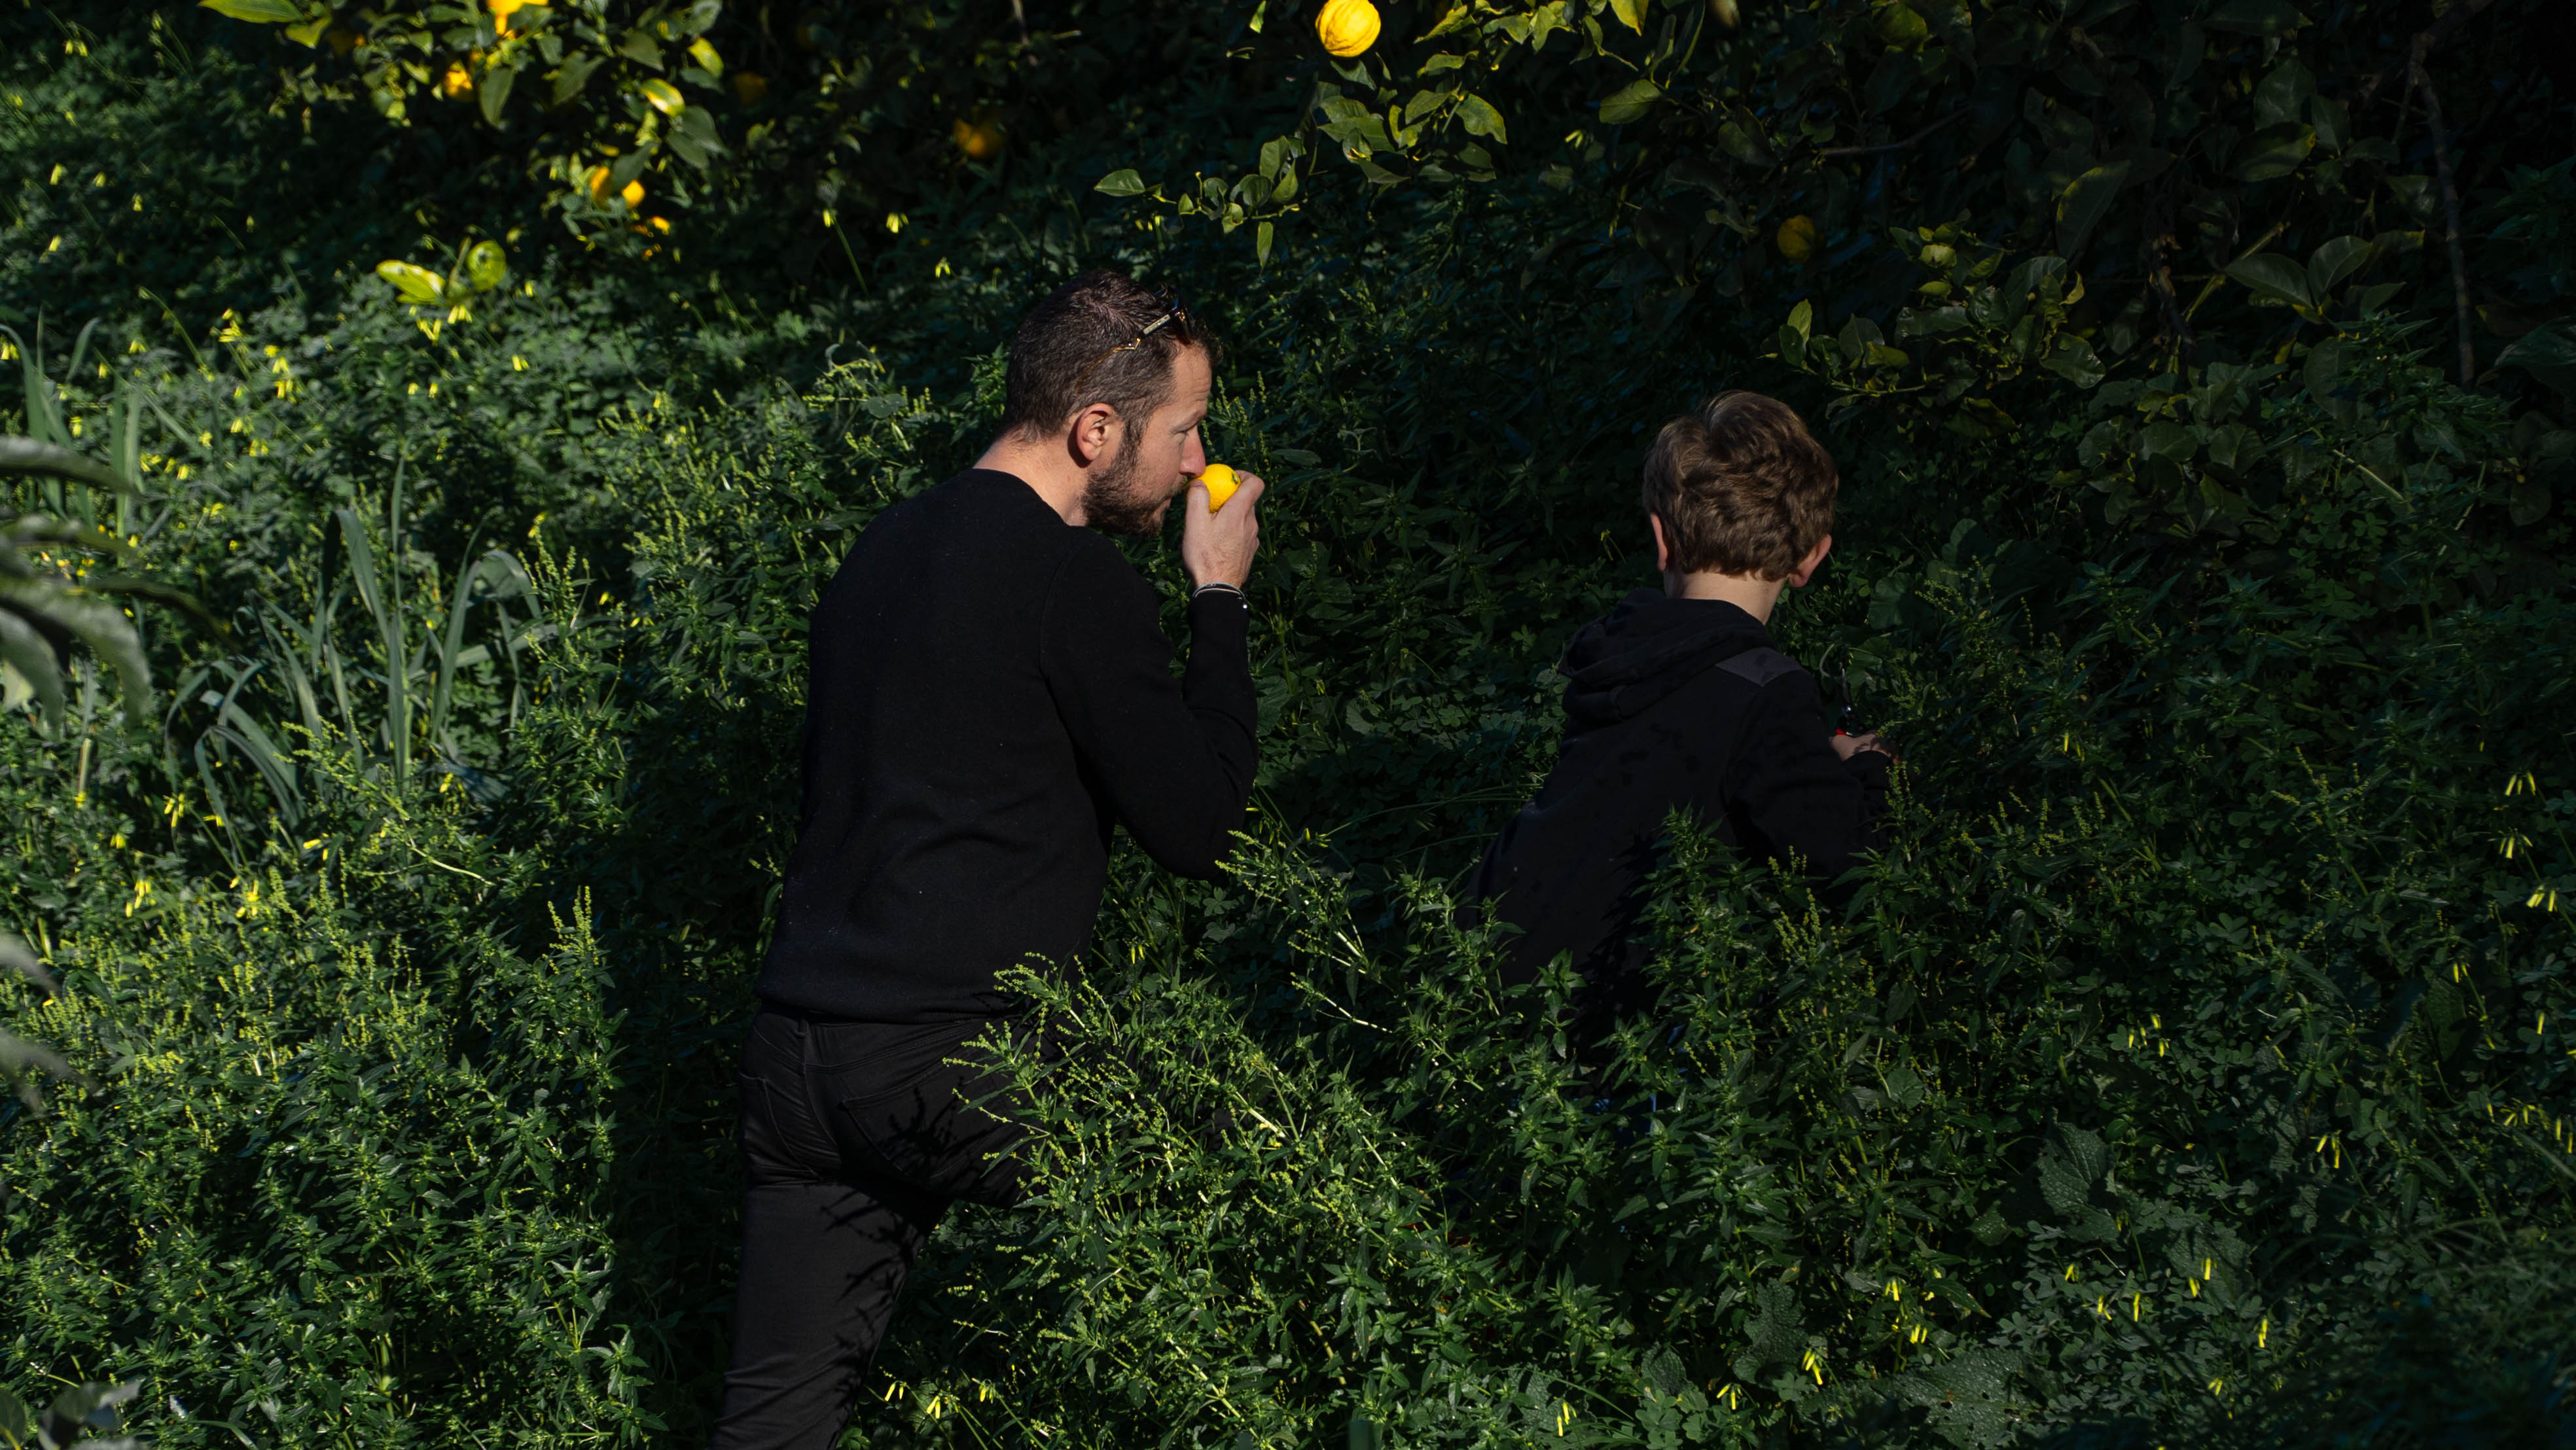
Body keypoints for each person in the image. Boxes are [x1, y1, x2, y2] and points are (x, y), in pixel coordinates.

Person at [711, 270, 1265, 1449]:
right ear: (1096, 429)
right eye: (1183, 430)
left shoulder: (881, 549)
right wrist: (1218, 595)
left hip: (800, 1052)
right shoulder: (1072, 578)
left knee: (775, 1422)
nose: (1195, 462)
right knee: (1240, 1194)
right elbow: (1199, 829)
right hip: (956, 1065)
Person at [1471, 389, 1891, 1010]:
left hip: (1485, 961)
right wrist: (1871, 768)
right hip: (1606, 1016)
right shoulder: (1767, 690)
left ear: (1661, 538)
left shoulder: (1614, 656)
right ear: (1810, 558)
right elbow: (1844, 861)